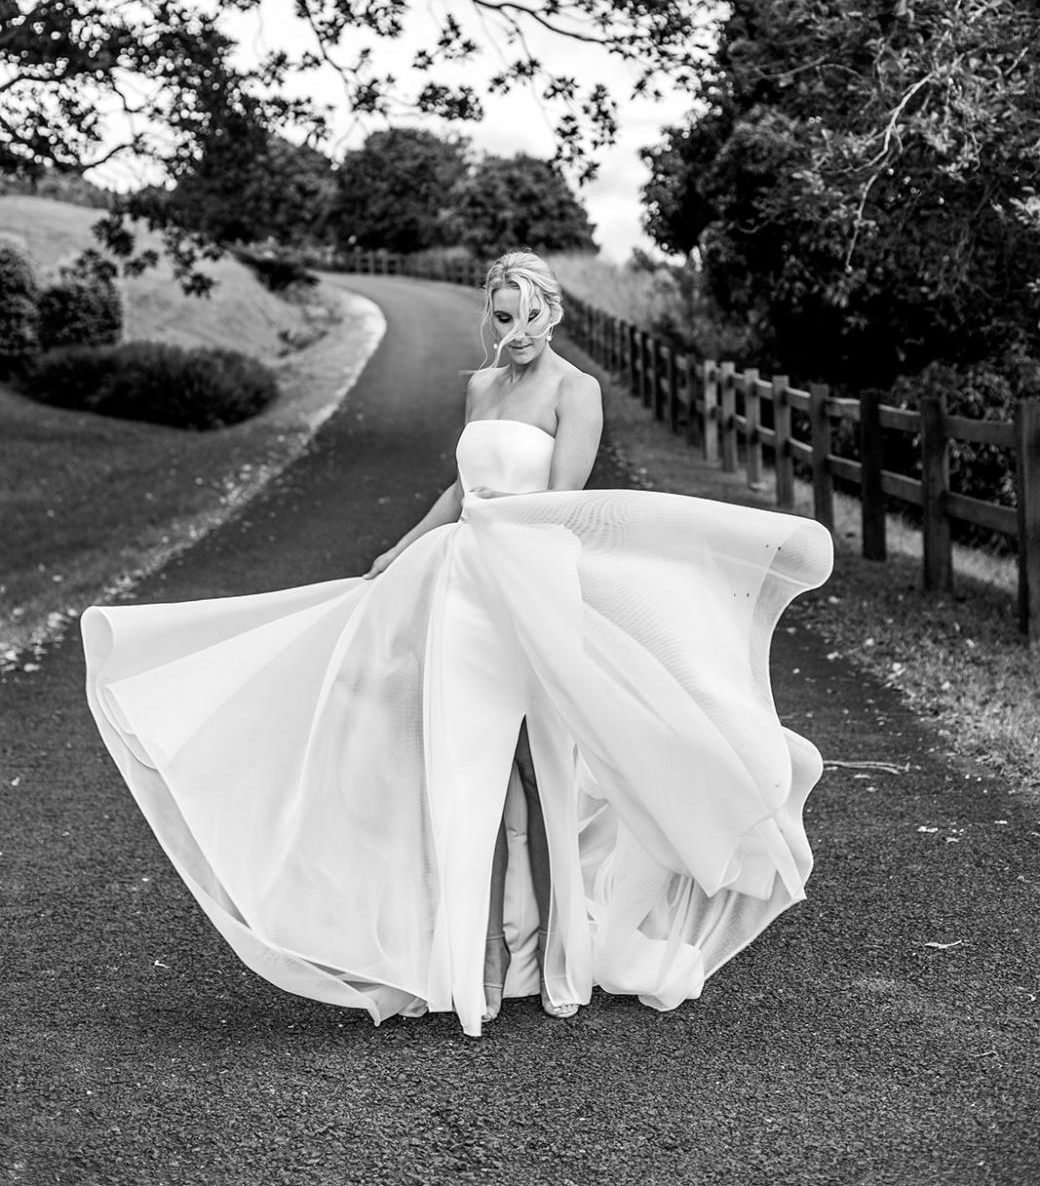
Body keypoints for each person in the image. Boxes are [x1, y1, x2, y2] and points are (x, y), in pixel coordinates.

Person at [82, 248, 833, 1038]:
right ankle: (474, 968)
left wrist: (516, 551)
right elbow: (458, 489)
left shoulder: (578, 391)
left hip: (531, 589)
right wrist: (398, 550)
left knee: (542, 775)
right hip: (458, 589)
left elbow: (564, 504)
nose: (516, 331)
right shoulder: (479, 386)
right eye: (502, 316)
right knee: (463, 773)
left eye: (530, 315)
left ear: (554, 311)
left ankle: (554, 963)